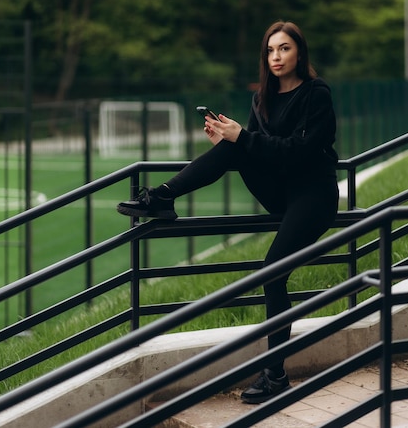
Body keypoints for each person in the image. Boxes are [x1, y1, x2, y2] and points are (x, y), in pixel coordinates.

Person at [117, 20, 339, 404]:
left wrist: (244, 139)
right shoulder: (262, 99)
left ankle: (274, 374)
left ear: (299, 53)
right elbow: (259, 150)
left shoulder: (316, 94)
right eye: (270, 50)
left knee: (272, 275)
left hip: (313, 194)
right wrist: (231, 140)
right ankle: (164, 196)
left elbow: (299, 152)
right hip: (281, 191)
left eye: (284, 49)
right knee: (234, 145)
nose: (276, 57)